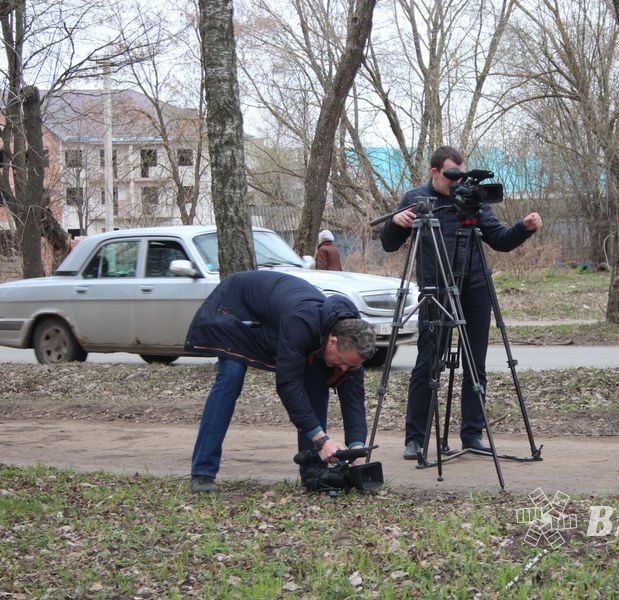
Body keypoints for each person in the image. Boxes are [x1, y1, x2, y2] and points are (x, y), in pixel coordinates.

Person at [379, 146, 543, 460]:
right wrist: (397, 223)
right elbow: (389, 244)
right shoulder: (416, 199)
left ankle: (472, 435)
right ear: (434, 172)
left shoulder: (472, 199)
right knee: (428, 364)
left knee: (475, 364)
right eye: (451, 176)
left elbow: (500, 240)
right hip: (436, 288)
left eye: (461, 175)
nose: (456, 183)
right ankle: (415, 439)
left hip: (475, 286)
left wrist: (524, 228)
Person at [185, 270, 376, 493]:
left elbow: (353, 400)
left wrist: (357, 452)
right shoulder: (301, 322)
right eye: (343, 362)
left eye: (350, 366)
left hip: (273, 319)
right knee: (230, 378)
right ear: (332, 342)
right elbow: (288, 385)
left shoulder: (350, 340)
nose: (344, 369)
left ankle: (313, 471)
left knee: (318, 378)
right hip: (235, 309)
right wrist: (322, 440)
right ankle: (203, 472)